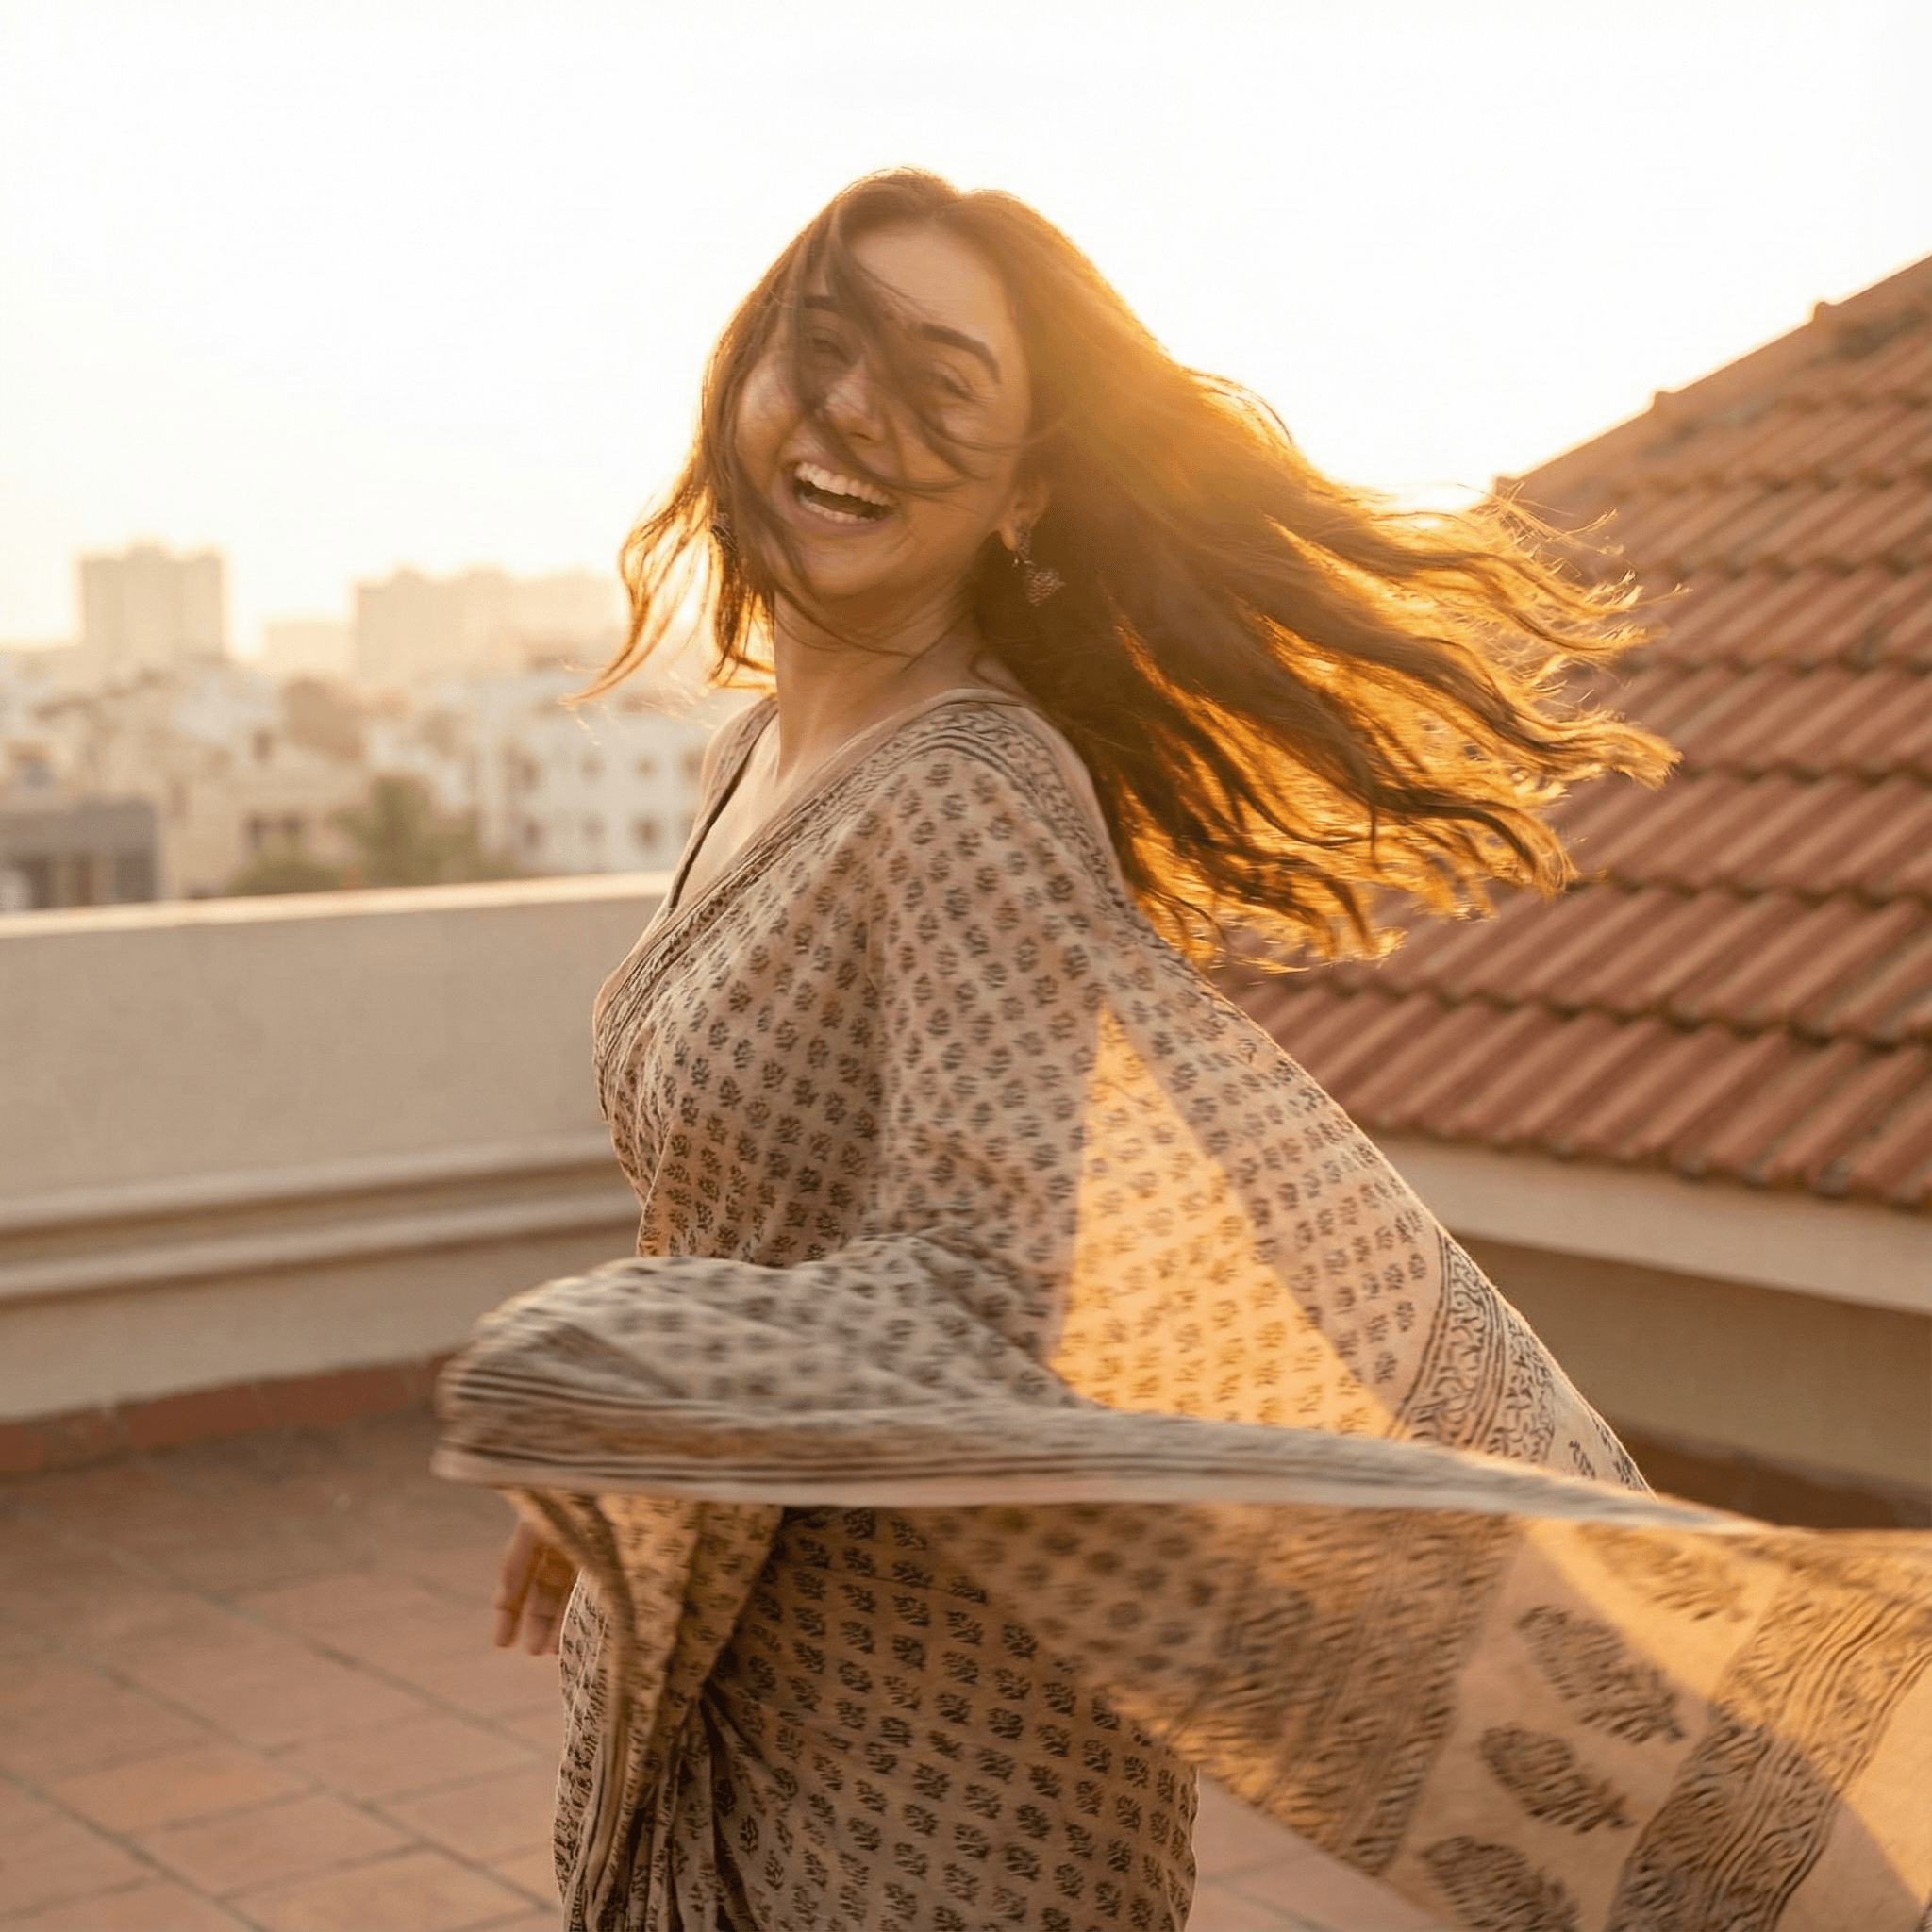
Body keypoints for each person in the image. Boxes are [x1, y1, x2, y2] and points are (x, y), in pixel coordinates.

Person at [436, 170, 1932, 1932]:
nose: (849, 412)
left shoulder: (965, 802)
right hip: (762, 1640)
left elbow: (1006, 1290)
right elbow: (771, 1190)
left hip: (926, 1731)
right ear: (741, 373)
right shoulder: (754, 754)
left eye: (938, 387)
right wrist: (650, 1432)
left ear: (1027, 488)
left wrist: (627, 1364)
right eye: (817, 346)